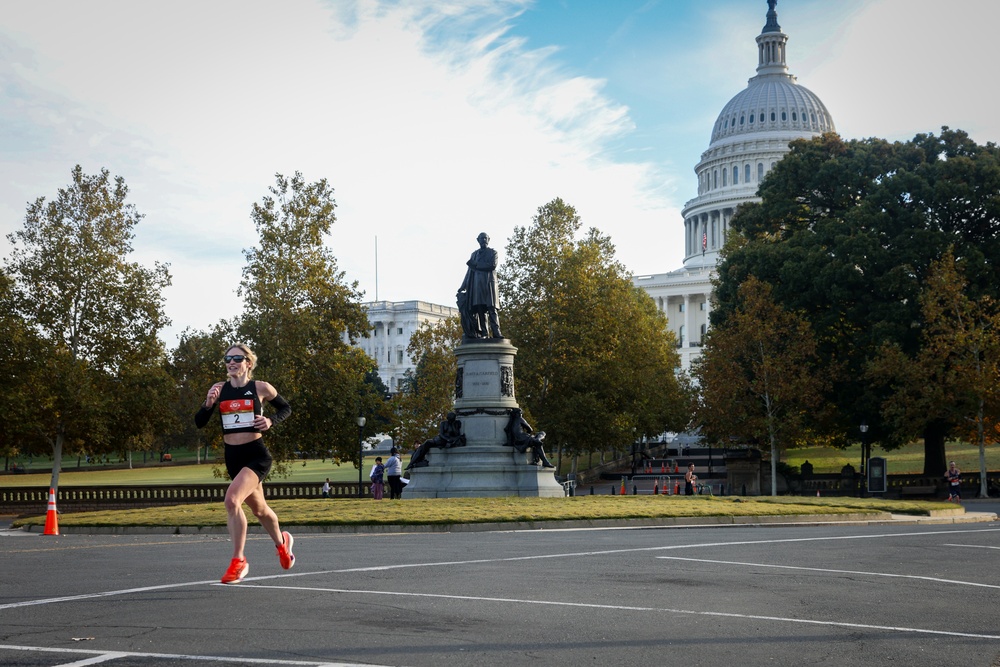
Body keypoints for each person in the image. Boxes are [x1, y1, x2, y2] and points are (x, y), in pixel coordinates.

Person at [194, 343, 295, 584]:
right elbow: (199, 422)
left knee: (232, 500)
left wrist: (271, 420)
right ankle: (283, 544)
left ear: (248, 363)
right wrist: (208, 404)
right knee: (260, 510)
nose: (231, 362)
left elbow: (286, 408)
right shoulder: (219, 390)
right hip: (233, 457)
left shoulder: (260, 388)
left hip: (256, 455)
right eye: (227, 359)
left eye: (237, 359)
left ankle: (239, 561)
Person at [458, 232, 502, 339]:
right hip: (477, 285)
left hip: (489, 284)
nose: (483, 240)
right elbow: (469, 272)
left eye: (485, 238)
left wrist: (476, 265)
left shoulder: (493, 253)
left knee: (492, 309)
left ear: (489, 239)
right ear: (478, 240)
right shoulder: (474, 255)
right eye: (481, 238)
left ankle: (497, 332)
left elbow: (492, 265)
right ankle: (484, 333)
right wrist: (463, 286)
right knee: (480, 309)